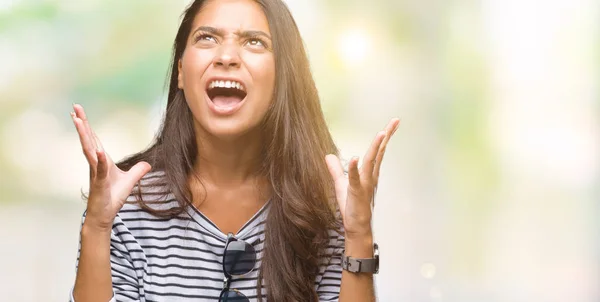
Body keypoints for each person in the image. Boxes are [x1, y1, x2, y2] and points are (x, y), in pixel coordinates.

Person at [69, 0, 399, 301]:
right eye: (207, 38)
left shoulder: (322, 209)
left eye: (254, 41)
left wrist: (358, 234)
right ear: (182, 72)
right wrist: (97, 226)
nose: (226, 57)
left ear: (283, 75)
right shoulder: (128, 207)